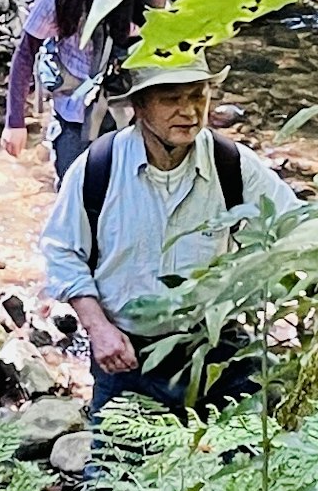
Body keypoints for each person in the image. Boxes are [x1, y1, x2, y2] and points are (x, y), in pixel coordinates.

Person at [39, 43, 297, 420]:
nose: (189, 111)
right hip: (127, 356)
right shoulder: (99, 167)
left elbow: (294, 227)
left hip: (216, 351)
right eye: (171, 99)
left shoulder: (233, 164)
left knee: (239, 470)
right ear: (140, 106)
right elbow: (61, 252)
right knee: (116, 473)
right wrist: (99, 330)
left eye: (198, 96)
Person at [3, 0, 146, 177]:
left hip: (125, 108)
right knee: (73, 190)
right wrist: (15, 122)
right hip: (74, 114)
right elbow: (25, 53)